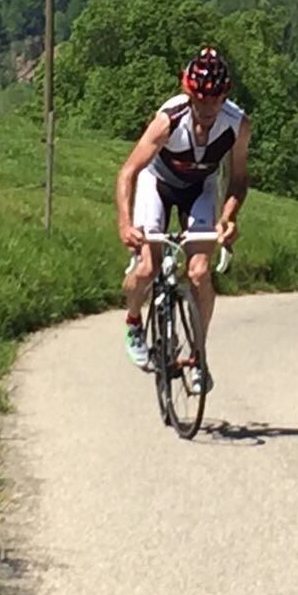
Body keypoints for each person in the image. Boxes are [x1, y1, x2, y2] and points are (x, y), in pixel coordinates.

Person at [115, 47, 250, 393]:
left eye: (214, 100)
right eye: (200, 99)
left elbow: (237, 179)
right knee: (147, 268)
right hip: (157, 183)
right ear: (189, 93)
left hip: (200, 187)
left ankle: (199, 355)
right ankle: (133, 321)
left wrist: (228, 218)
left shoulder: (237, 124)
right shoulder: (169, 120)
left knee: (200, 272)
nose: (207, 108)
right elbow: (128, 172)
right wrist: (126, 225)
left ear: (224, 96)